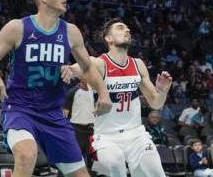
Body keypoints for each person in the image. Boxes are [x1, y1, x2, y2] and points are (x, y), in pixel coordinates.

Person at [0, 0, 112, 177]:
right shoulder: (18, 27)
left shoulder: (71, 32)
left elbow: (88, 67)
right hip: (20, 109)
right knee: (27, 153)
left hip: (53, 114)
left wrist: (103, 92)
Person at [62, 18, 172, 177]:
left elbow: (155, 104)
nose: (127, 30)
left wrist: (162, 91)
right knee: (115, 165)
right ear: (109, 38)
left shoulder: (138, 64)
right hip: (107, 137)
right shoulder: (100, 63)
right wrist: (69, 69)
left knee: (155, 170)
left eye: (127, 28)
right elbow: (82, 66)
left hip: (136, 135)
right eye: (121, 28)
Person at [62, 75, 95, 159]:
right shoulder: (73, 92)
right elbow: (65, 114)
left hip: (91, 130)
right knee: (76, 158)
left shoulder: (94, 92)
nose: (89, 78)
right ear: (80, 77)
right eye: (86, 76)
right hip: (76, 130)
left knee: (93, 159)